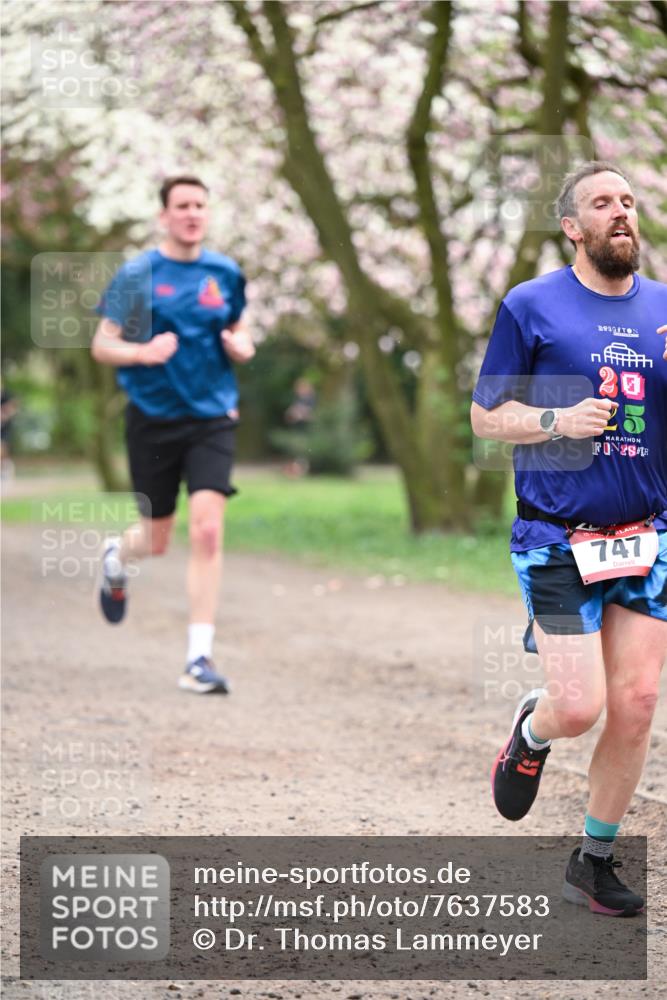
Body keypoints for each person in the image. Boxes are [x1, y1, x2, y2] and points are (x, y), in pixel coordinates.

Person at [471, 161, 666, 916]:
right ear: (571, 227)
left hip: (648, 538)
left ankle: (593, 858)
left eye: (627, 200)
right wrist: (555, 419)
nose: (620, 212)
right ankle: (533, 726)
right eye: (601, 203)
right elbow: (487, 417)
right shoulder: (531, 306)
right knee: (578, 707)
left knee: (640, 699)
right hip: (554, 539)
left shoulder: (661, 309)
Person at [91, 175, 255, 694]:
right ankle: (117, 558)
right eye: (182, 206)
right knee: (156, 539)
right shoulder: (139, 274)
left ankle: (198, 659)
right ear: (164, 215)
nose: (192, 214)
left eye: (200, 205)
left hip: (212, 417)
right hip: (153, 419)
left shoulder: (224, 272)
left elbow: (240, 326)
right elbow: (102, 344)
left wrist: (242, 345)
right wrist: (142, 352)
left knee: (207, 529)